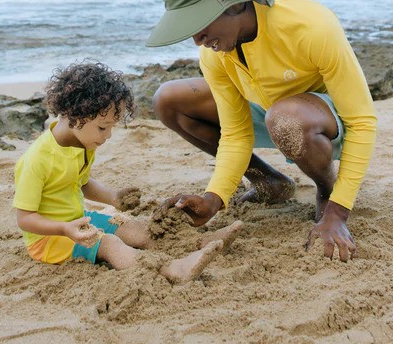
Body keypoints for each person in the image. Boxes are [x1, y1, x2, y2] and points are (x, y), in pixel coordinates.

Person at [146, 0, 377, 262]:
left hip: (324, 124)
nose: (197, 39)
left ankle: (326, 187)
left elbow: (362, 121)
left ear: (236, 4)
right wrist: (213, 200)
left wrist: (339, 209)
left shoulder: (311, 26)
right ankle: (268, 180)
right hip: (270, 114)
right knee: (168, 99)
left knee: (285, 117)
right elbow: (236, 133)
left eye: (199, 22)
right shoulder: (215, 52)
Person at [13, 61, 242, 283]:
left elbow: (81, 182)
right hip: (49, 238)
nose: (108, 135)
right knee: (109, 244)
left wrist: (113, 198)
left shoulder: (82, 142)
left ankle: (197, 243)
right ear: (75, 116)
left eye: (112, 127)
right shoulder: (36, 161)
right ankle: (172, 269)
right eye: (103, 127)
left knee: (132, 227)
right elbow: (25, 219)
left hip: (76, 220)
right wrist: (64, 228)